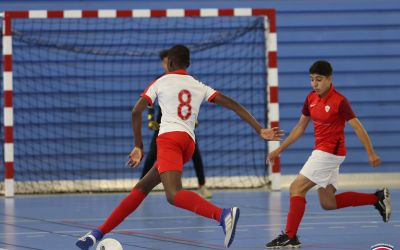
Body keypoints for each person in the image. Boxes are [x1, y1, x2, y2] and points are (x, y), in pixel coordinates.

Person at [76, 45, 284, 250]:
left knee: (173, 195)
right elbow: (232, 104)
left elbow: (136, 111)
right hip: (188, 144)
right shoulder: (198, 85)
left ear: (170, 63)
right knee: (141, 188)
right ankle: (97, 234)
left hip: (169, 140)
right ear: (188, 64)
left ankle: (222, 214)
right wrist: (259, 129)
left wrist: (138, 146)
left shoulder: (161, 81)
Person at [265, 60, 391, 248]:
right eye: (311, 80)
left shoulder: (339, 101)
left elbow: (358, 127)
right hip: (325, 153)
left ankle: (290, 236)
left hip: (329, 153)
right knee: (328, 202)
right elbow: (300, 127)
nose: (314, 84)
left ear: (330, 79)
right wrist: (279, 149)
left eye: (319, 79)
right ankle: (377, 198)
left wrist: (371, 153)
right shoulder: (310, 99)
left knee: (296, 188)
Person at [142, 50, 212, 199]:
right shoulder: (160, 80)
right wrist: (150, 119)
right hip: (163, 125)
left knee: (196, 155)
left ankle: (202, 186)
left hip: (184, 126)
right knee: (151, 156)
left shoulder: (186, 80)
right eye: (164, 62)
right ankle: (141, 187)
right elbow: (149, 104)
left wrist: (195, 118)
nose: (167, 64)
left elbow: (193, 101)